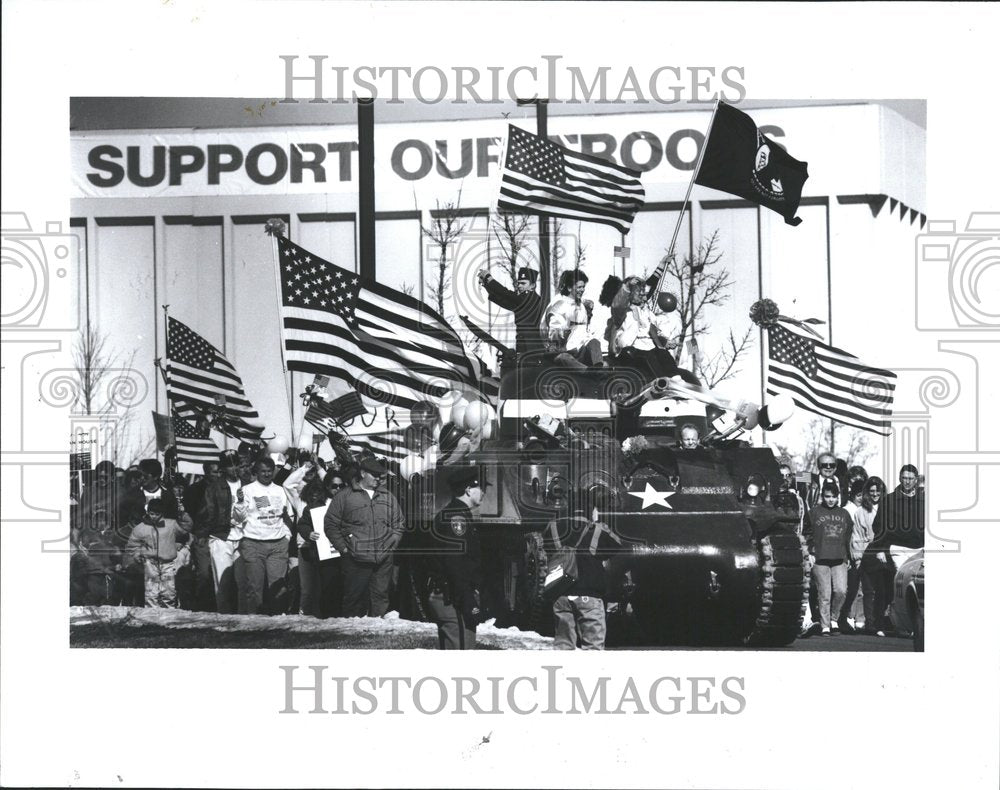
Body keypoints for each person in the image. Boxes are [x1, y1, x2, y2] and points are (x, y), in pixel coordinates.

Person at [324, 457, 404, 618]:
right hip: (355, 559)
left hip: (383, 560)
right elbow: (331, 524)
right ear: (362, 473)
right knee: (354, 601)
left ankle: (377, 637)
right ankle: (353, 638)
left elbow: (399, 523)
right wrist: (345, 548)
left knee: (380, 598)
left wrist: (392, 545)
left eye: (380, 475)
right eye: (374, 475)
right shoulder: (345, 496)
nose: (378, 478)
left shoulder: (387, 496)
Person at [425, 467, 485, 649]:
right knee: (461, 652)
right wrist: (467, 598)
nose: (483, 492)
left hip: (451, 594)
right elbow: (455, 562)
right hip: (453, 597)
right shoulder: (456, 518)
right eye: (481, 488)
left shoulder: (453, 513)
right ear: (468, 490)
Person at [608, 275, 700, 386]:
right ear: (630, 294)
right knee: (648, 356)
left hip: (646, 348)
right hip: (628, 351)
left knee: (662, 353)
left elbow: (653, 333)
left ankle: (676, 379)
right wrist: (627, 286)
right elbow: (618, 304)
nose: (642, 295)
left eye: (643, 292)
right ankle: (662, 381)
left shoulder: (646, 313)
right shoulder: (623, 311)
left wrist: (665, 342)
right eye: (639, 292)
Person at [550, 512, 620, 650]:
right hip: (589, 594)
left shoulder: (553, 527)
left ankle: (561, 671)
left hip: (561, 593)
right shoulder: (597, 530)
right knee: (593, 646)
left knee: (563, 645)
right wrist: (602, 524)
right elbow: (616, 545)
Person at [234, 456, 294, 615]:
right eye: (263, 471)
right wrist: (239, 502)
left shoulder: (280, 490)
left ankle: (278, 622)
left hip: (277, 544)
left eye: (269, 471)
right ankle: (254, 624)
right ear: (257, 472)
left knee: (278, 587)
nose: (267, 474)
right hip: (253, 543)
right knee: (254, 587)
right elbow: (238, 518)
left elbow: (288, 517)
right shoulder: (247, 490)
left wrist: (286, 537)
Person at [869, 464, 925, 633]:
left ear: (916, 480)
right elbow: (878, 525)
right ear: (900, 478)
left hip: (920, 548)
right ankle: (895, 623)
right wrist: (879, 549)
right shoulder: (889, 500)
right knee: (902, 584)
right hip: (897, 548)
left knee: (918, 585)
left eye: (910, 479)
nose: (907, 482)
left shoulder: (923, 500)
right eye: (904, 478)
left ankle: (914, 624)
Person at [195, 450, 245, 613]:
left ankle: (246, 619)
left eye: (236, 464)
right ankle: (225, 618)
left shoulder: (247, 483)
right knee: (223, 583)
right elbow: (207, 512)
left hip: (246, 537)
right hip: (221, 537)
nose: (234, 468)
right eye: (230, 465)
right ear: (223, 468)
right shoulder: (214, 488)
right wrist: (203, 534)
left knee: (244, 582)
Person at [803, 482, 853, 635]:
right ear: (822, 496)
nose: (830, 499)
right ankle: (825, 625)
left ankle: (834, 619)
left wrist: (848, 557)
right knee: (825, 593)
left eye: (833, 497)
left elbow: (848, 537)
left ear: (838, 497)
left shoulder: (844, 514)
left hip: (840, 558)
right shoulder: (813, 512)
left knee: (841, 591)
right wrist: (810, 553)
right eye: (827, 496)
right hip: (820, 557)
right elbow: (806, 534)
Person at [125, 498, 193, 608]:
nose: (154, 517)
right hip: (149, 563)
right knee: (151, 592)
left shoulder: (171, 525)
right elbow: (132, 545)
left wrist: (182, 513)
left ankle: (169, 615)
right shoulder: (140, 528)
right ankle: (152, 617)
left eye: (157, 514)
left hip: (168, 563)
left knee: (169, 591)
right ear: (148, 512)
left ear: (162, 514)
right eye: (152, 514)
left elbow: (186, 527)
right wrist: (137, 554)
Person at [297, 471, 346, 618]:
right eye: (334, 486)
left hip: (345, 552)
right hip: (326, 554)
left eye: (341, 486)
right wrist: (309, 533)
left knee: (343, 587)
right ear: (326, 486)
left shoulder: (348, 502)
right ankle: (327, 618)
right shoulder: (316, 505)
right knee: (327, 586)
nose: (337, 489)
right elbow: (302, 524)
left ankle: (342, 618)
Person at [477, 266, 544, 359]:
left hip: (532, 349)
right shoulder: (524, 300)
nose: (519, 286)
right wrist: (486, 284)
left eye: (523, 283)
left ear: (532, 285)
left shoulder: (531, 298)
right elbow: (503, 300)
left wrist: (489, 278)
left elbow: (506, 294)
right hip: (525, 347)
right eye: (519, 283)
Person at [542, 270, 603, 368]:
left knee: (594, 342)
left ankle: (599, 367)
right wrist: (562, 333)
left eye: (583, 287)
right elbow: (554, 332)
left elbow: (585, 331)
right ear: (570, 288)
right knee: (564, 358)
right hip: (566, 351)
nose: (582, 290)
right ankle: (587, 372)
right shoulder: (559, 305)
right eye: (579, 287)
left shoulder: (581, 306)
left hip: (580, 350)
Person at [855, 476, 886, 635]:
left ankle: (881, 622)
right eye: (872, 491)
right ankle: (870, 624)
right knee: (868, 591)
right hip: (867, 554)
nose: (875, 494)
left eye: (878, 491)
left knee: (883, 590)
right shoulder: (861, 511)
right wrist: (858, 557)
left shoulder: (888, 508)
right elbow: (857, 535)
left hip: (884, 554)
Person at [838, 478, 867, 632]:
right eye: (858, 494)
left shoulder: (865, 510)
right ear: (853, 495)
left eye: (864, 494)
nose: (861, 498)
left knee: (859, 587)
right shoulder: (846, 510)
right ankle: (843, 617)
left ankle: (855, 619)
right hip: (848, 554)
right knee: (849, 588)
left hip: (861, 553)